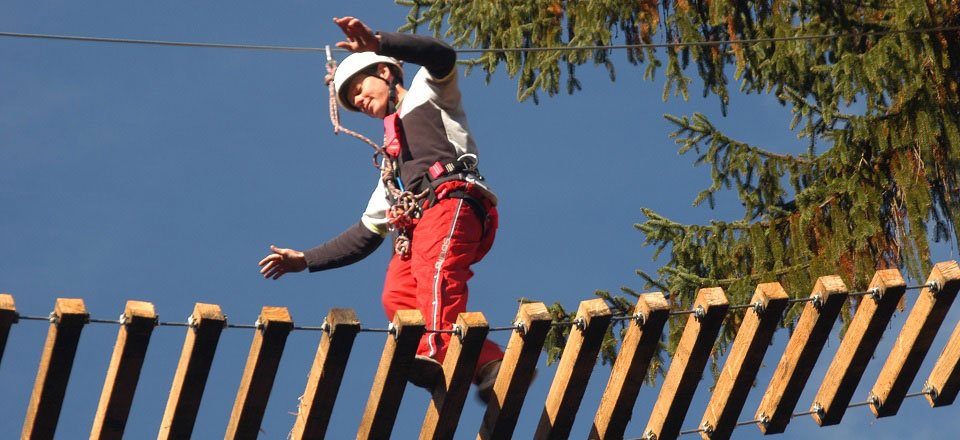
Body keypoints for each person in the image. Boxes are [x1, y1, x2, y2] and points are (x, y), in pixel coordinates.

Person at [258, 16, 503, 400]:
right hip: (419, 221)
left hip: (452, 200)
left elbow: (441, 56)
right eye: (351, 99)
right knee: (398, 293)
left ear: (387, 73)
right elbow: (364, 235)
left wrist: (379, 42)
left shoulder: (428, 93)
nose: (357, 99)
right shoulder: (391, 171)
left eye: (359, 87)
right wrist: (304, 259)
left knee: (436, 272)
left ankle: (436, 353)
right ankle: (487, 363)